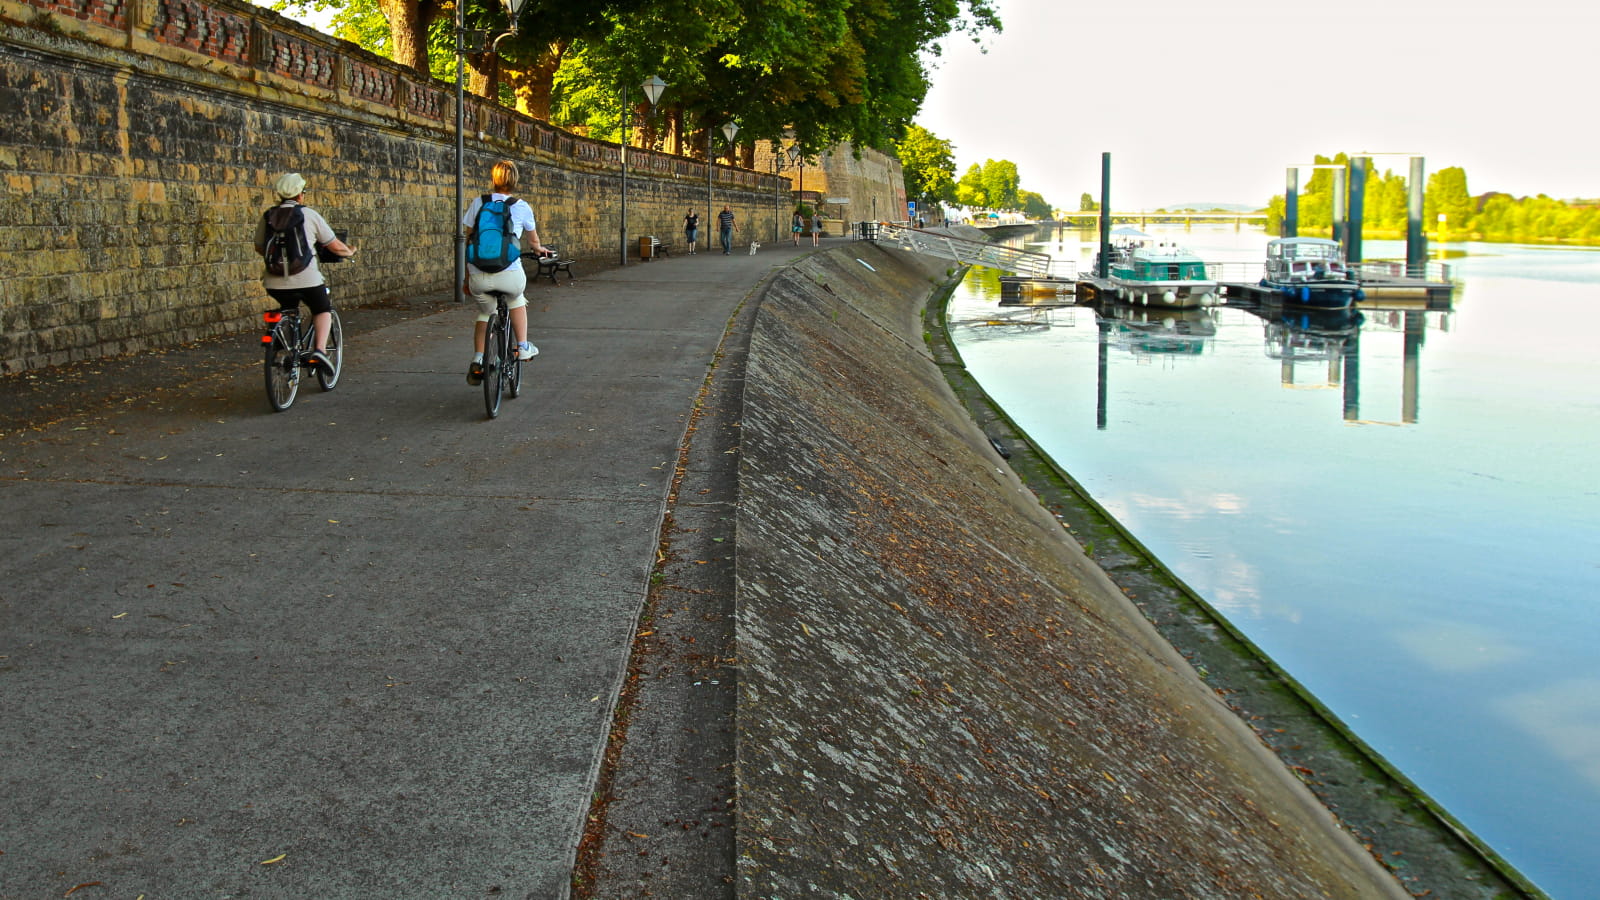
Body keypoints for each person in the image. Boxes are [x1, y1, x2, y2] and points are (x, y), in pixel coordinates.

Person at [254, 172, 355, 374]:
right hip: (307, 279)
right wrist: (350, 251)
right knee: (322, 308)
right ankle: (319, 351)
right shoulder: (309, 215)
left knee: (288, 306)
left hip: (274, 282)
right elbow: (334, 245)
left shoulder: (268, 216)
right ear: (300, 195)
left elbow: (259, 247)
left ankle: (283, 340)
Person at [462, 159, 548, 386]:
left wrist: (467, 276)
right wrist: (540, 250)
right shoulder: (521, 206)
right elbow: (533, 241)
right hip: (509, 273)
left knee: (485, 312)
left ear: (493, 180)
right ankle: (523, 346)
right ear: (515, 180)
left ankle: (478, 359)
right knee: (516, 298)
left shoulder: (478, 203)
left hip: (479, 273)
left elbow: (469, 240)